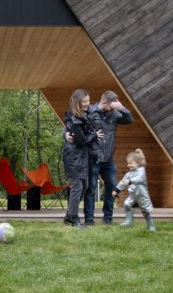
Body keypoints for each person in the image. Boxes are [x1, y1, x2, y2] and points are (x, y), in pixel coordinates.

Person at [66, 90, 132, 225]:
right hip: (92, 158)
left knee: (111, 188)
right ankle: (89, 220)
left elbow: (129, 120)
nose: (113, 109)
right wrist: (65, 135)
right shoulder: (89, 111)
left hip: (108, 159)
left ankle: (107, 218)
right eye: (112, 106)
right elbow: (71, 123)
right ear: (104, 103)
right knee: (90, 189)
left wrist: (122, 108)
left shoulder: (114, 113)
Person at [61, 89, 103, 228]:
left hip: (82, 156)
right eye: (84, 102)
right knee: (77, 187)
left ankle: (69, 215)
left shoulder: (85, 113)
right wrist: (95, 136)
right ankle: (73, 218)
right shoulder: (74, 118)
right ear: (77, 102)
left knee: (84, 186)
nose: (87, 104)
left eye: (88, 101)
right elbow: (81, 140)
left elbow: (97, 108)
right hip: (74, 156)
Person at [113, 148, 155, 230]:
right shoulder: (129, 173)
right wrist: (116, 190)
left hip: (142, 195)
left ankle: (151, 225)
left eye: (130, 163)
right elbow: (122, 182)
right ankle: (129, 221)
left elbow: (139, 179)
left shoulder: (141, 171)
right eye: (128, 163)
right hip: (133, 195)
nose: (128, 165)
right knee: (126, 205)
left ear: (138, 163)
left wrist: (130, 181)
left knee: (145, 211)